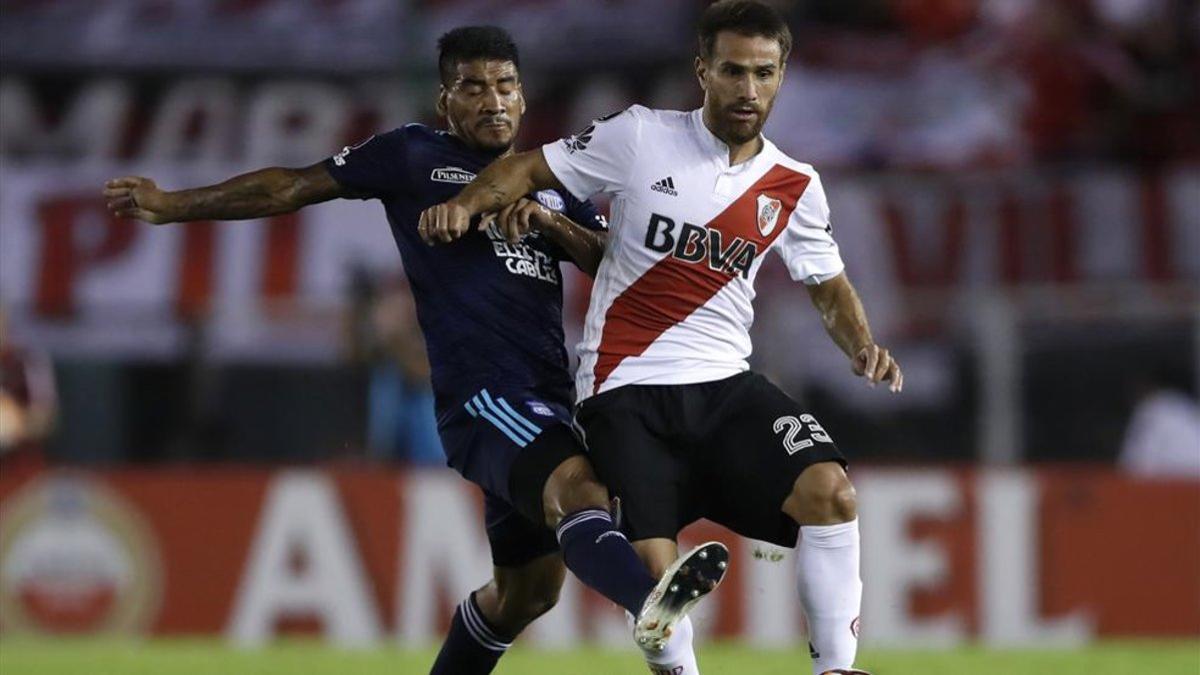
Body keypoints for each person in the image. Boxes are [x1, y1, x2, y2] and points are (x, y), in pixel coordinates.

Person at [104, 26, 725, 675]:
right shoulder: (413, 155)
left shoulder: (551, 182)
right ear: (444, 101)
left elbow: (614, 266)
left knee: (525, 594)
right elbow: (289, 186)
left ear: (521, 96)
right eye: (473, 86)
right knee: (579, 488)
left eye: (505, 85)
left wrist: (549, 223)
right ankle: (655, 614)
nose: (492, 99)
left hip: (550, 397)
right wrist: (173, 204)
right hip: (485, 396)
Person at [417, 3, 902, 674]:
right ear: (703, 71)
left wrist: (860, 343)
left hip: (725, 387)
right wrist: (467, 204)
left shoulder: (795, 185)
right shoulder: (641, 135)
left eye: (763, 73)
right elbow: (527, 168)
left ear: (782, 75)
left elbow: (827, 282)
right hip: (625, 392)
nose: (747, 89)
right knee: (654, 584)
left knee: (831, 490)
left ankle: (837, 668)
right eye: (732, 70)